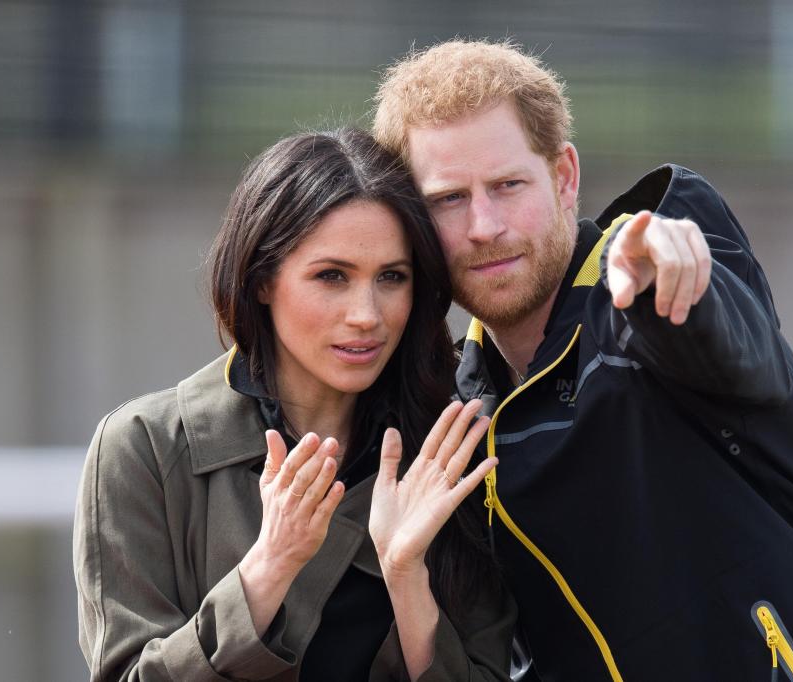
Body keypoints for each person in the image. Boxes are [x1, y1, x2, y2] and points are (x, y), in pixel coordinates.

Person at [372, 40, 793, 681]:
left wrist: (671, 288)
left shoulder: (641, 282)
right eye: (449, 199)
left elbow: (727, 341)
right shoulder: (454, 421)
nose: (484, 225)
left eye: (508, 185)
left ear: (564, 177)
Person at [72, 128, 516, 682]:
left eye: (392, 278)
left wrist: (405, 576)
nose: (366, 315)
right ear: (262, 280)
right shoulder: (144, 449)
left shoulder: (451, 449)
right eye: (331, 276)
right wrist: (269, 565)